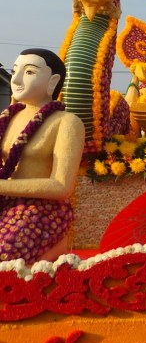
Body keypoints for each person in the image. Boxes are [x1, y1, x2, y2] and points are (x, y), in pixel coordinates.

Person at [0, 49, 85, 264]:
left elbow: (62, 186)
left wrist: (2, 186)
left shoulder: (66, 122)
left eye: (29, 72)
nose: (16, 80)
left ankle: (55, 246)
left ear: (52, 81)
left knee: (4, 254)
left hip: (42, 210)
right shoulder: (8, 117)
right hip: (4, 202)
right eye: (15, 71)